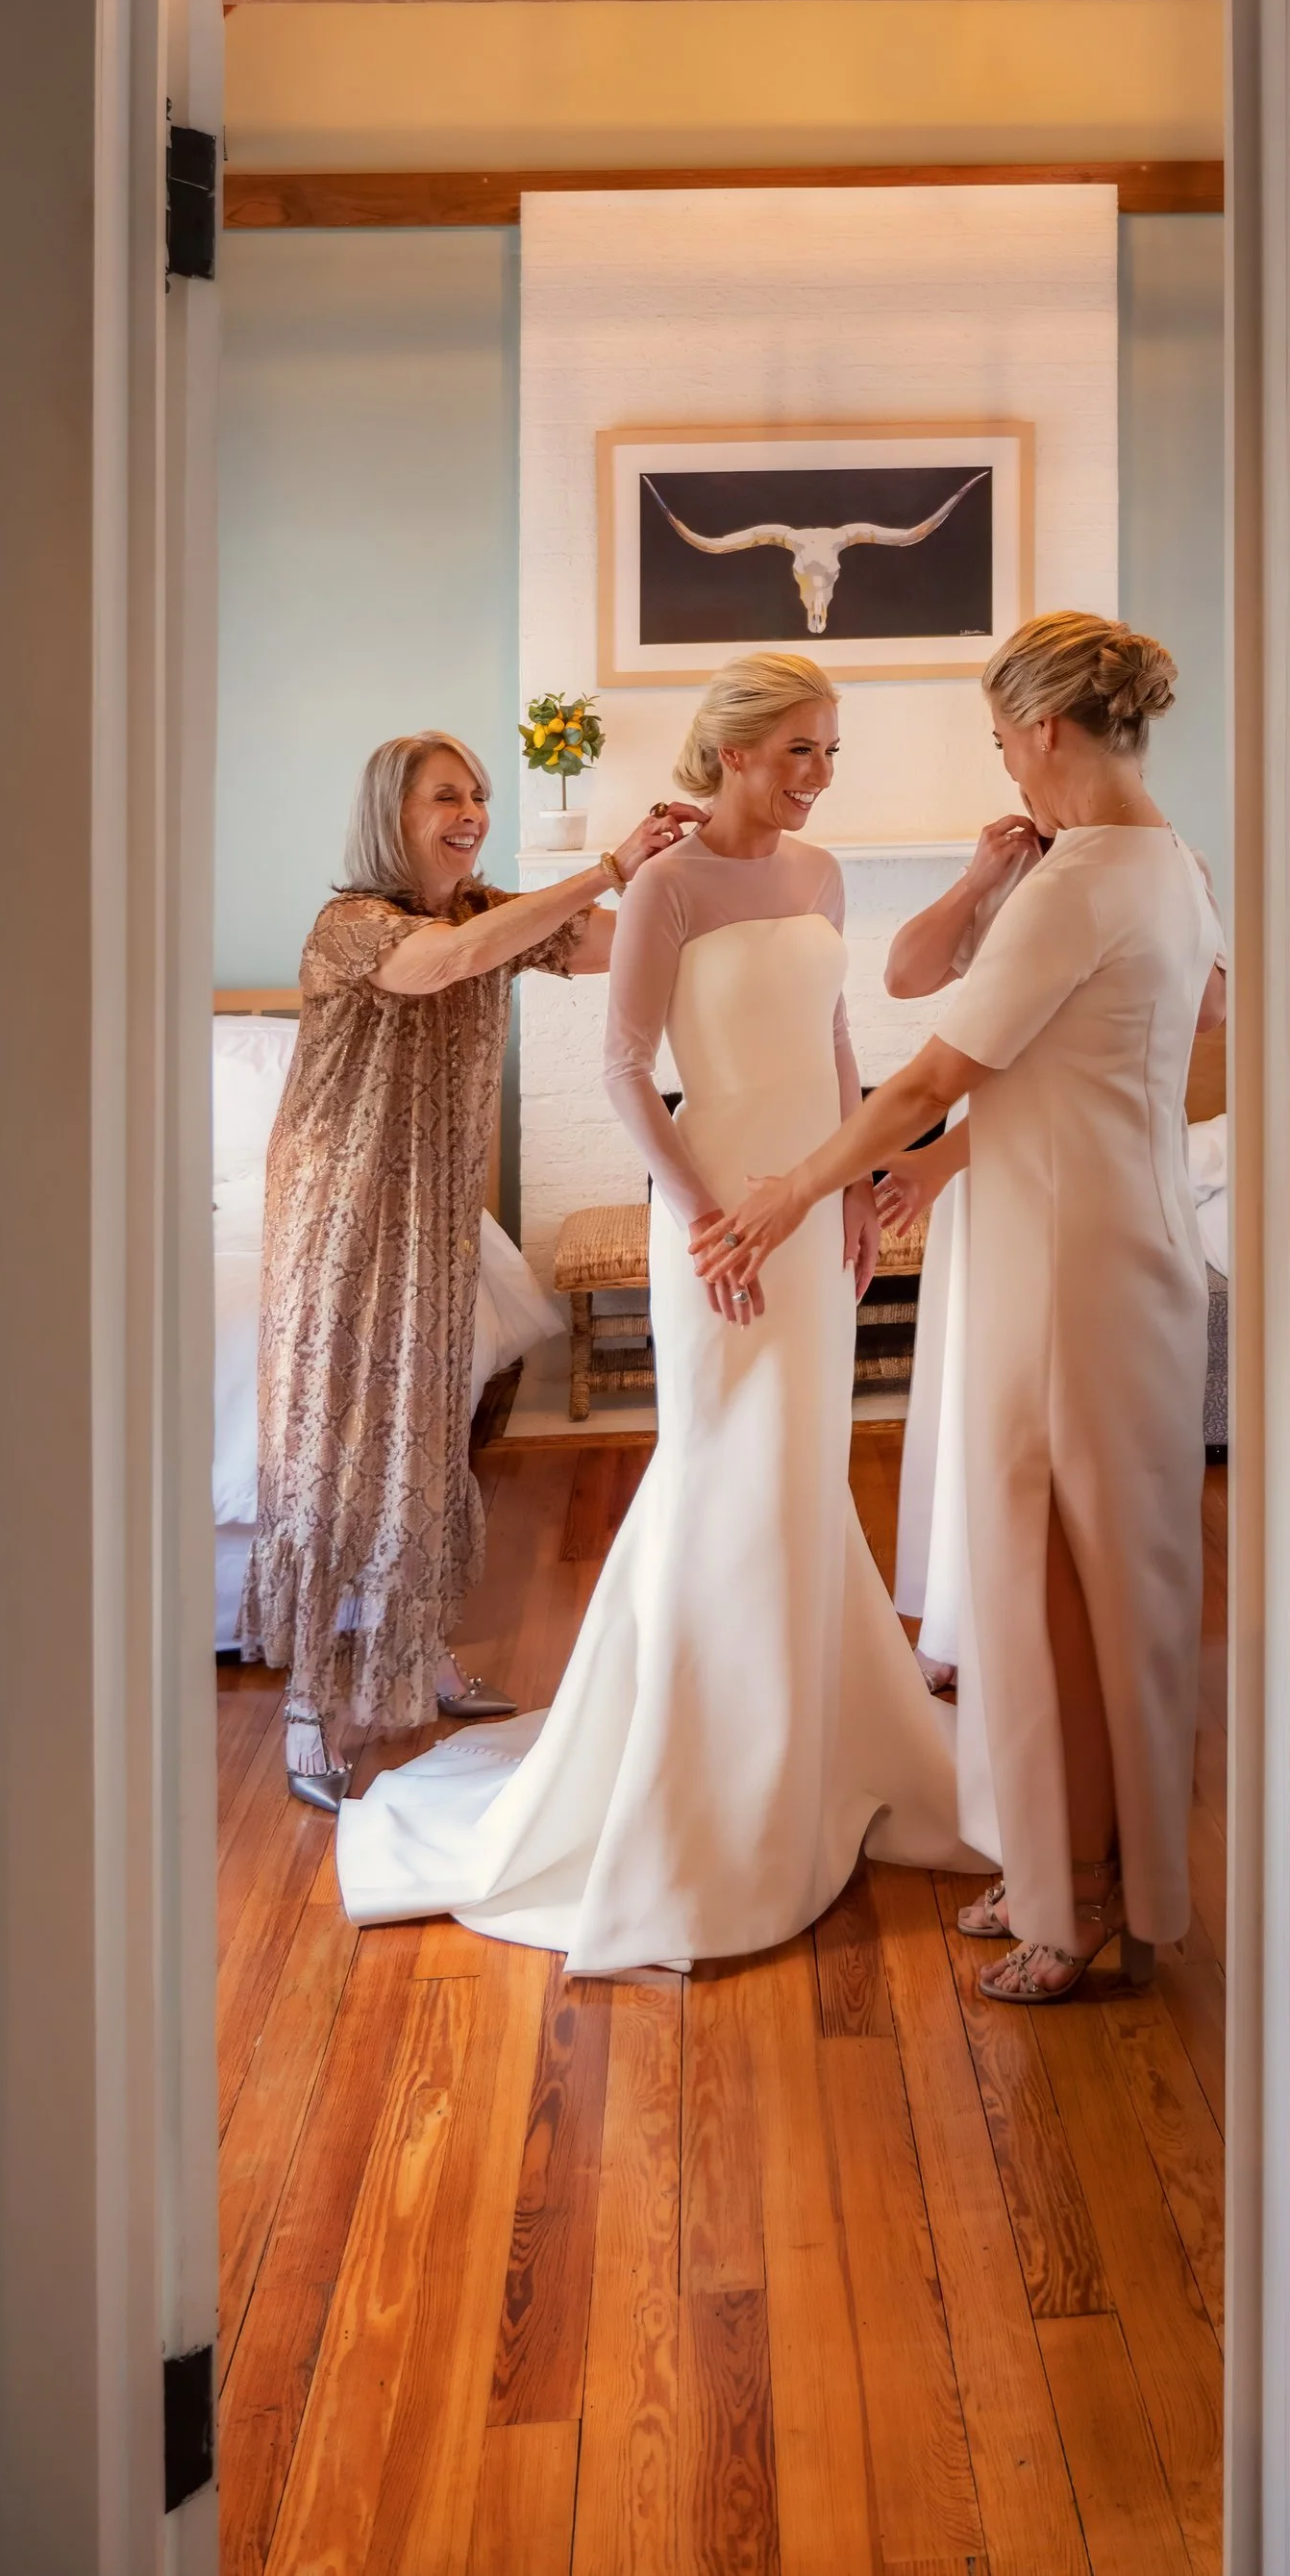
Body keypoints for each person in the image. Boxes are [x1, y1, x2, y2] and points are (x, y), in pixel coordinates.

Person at [335, 653, 975, 1969]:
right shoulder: (670, 885)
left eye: (831, 752)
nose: (819, 776)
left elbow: (841, 1041)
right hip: (722, 1207)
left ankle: (815, 1750)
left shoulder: (822, 875)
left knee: (801, 1467)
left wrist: (851, 1183)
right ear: (731, 751)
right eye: (799, 750)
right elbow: (627, 1072)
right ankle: (701, 1788)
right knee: (720, 1469)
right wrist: (697, 1219)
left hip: (809, 1204)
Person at [707, 613, 1225, 2004]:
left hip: (1061, 1277)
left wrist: (794, 1191)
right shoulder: (1174, 869)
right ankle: (1086, 1874)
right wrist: (938, 1170)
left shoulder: (1077, 884)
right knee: (1110, 1585)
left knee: (1039, 1581)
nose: (1006, 767)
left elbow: (933, 1070)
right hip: (1136, 1256)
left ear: (1046, 728)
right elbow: (1149, 1057)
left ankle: (1074, 1903)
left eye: (1001, 739)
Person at [240, 732, 697, 1812]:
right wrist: (609, 864)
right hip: (340, 1221)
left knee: (427, 1430)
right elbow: (438, 965)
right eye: (447, 796)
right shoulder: (352, 926)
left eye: (480, 794)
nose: (473, 810)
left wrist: (716, 872)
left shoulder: (488, 916)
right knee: (335, 1441)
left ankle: (418, 1654)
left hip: (434, 1217)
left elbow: (618, 946)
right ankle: (311, 1695)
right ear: (391, 817)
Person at [878, 813, 1047, 1692]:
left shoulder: (1145, 872)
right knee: (968, 1399)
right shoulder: (1013, 874)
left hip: (1040, 1159)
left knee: (1022, 1403)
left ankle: (1030, 1630)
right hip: (985, 1170)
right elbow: (902, 974)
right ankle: (955, 1619)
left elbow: (1205, 1015)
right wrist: (979, 877)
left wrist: (935, 1157)